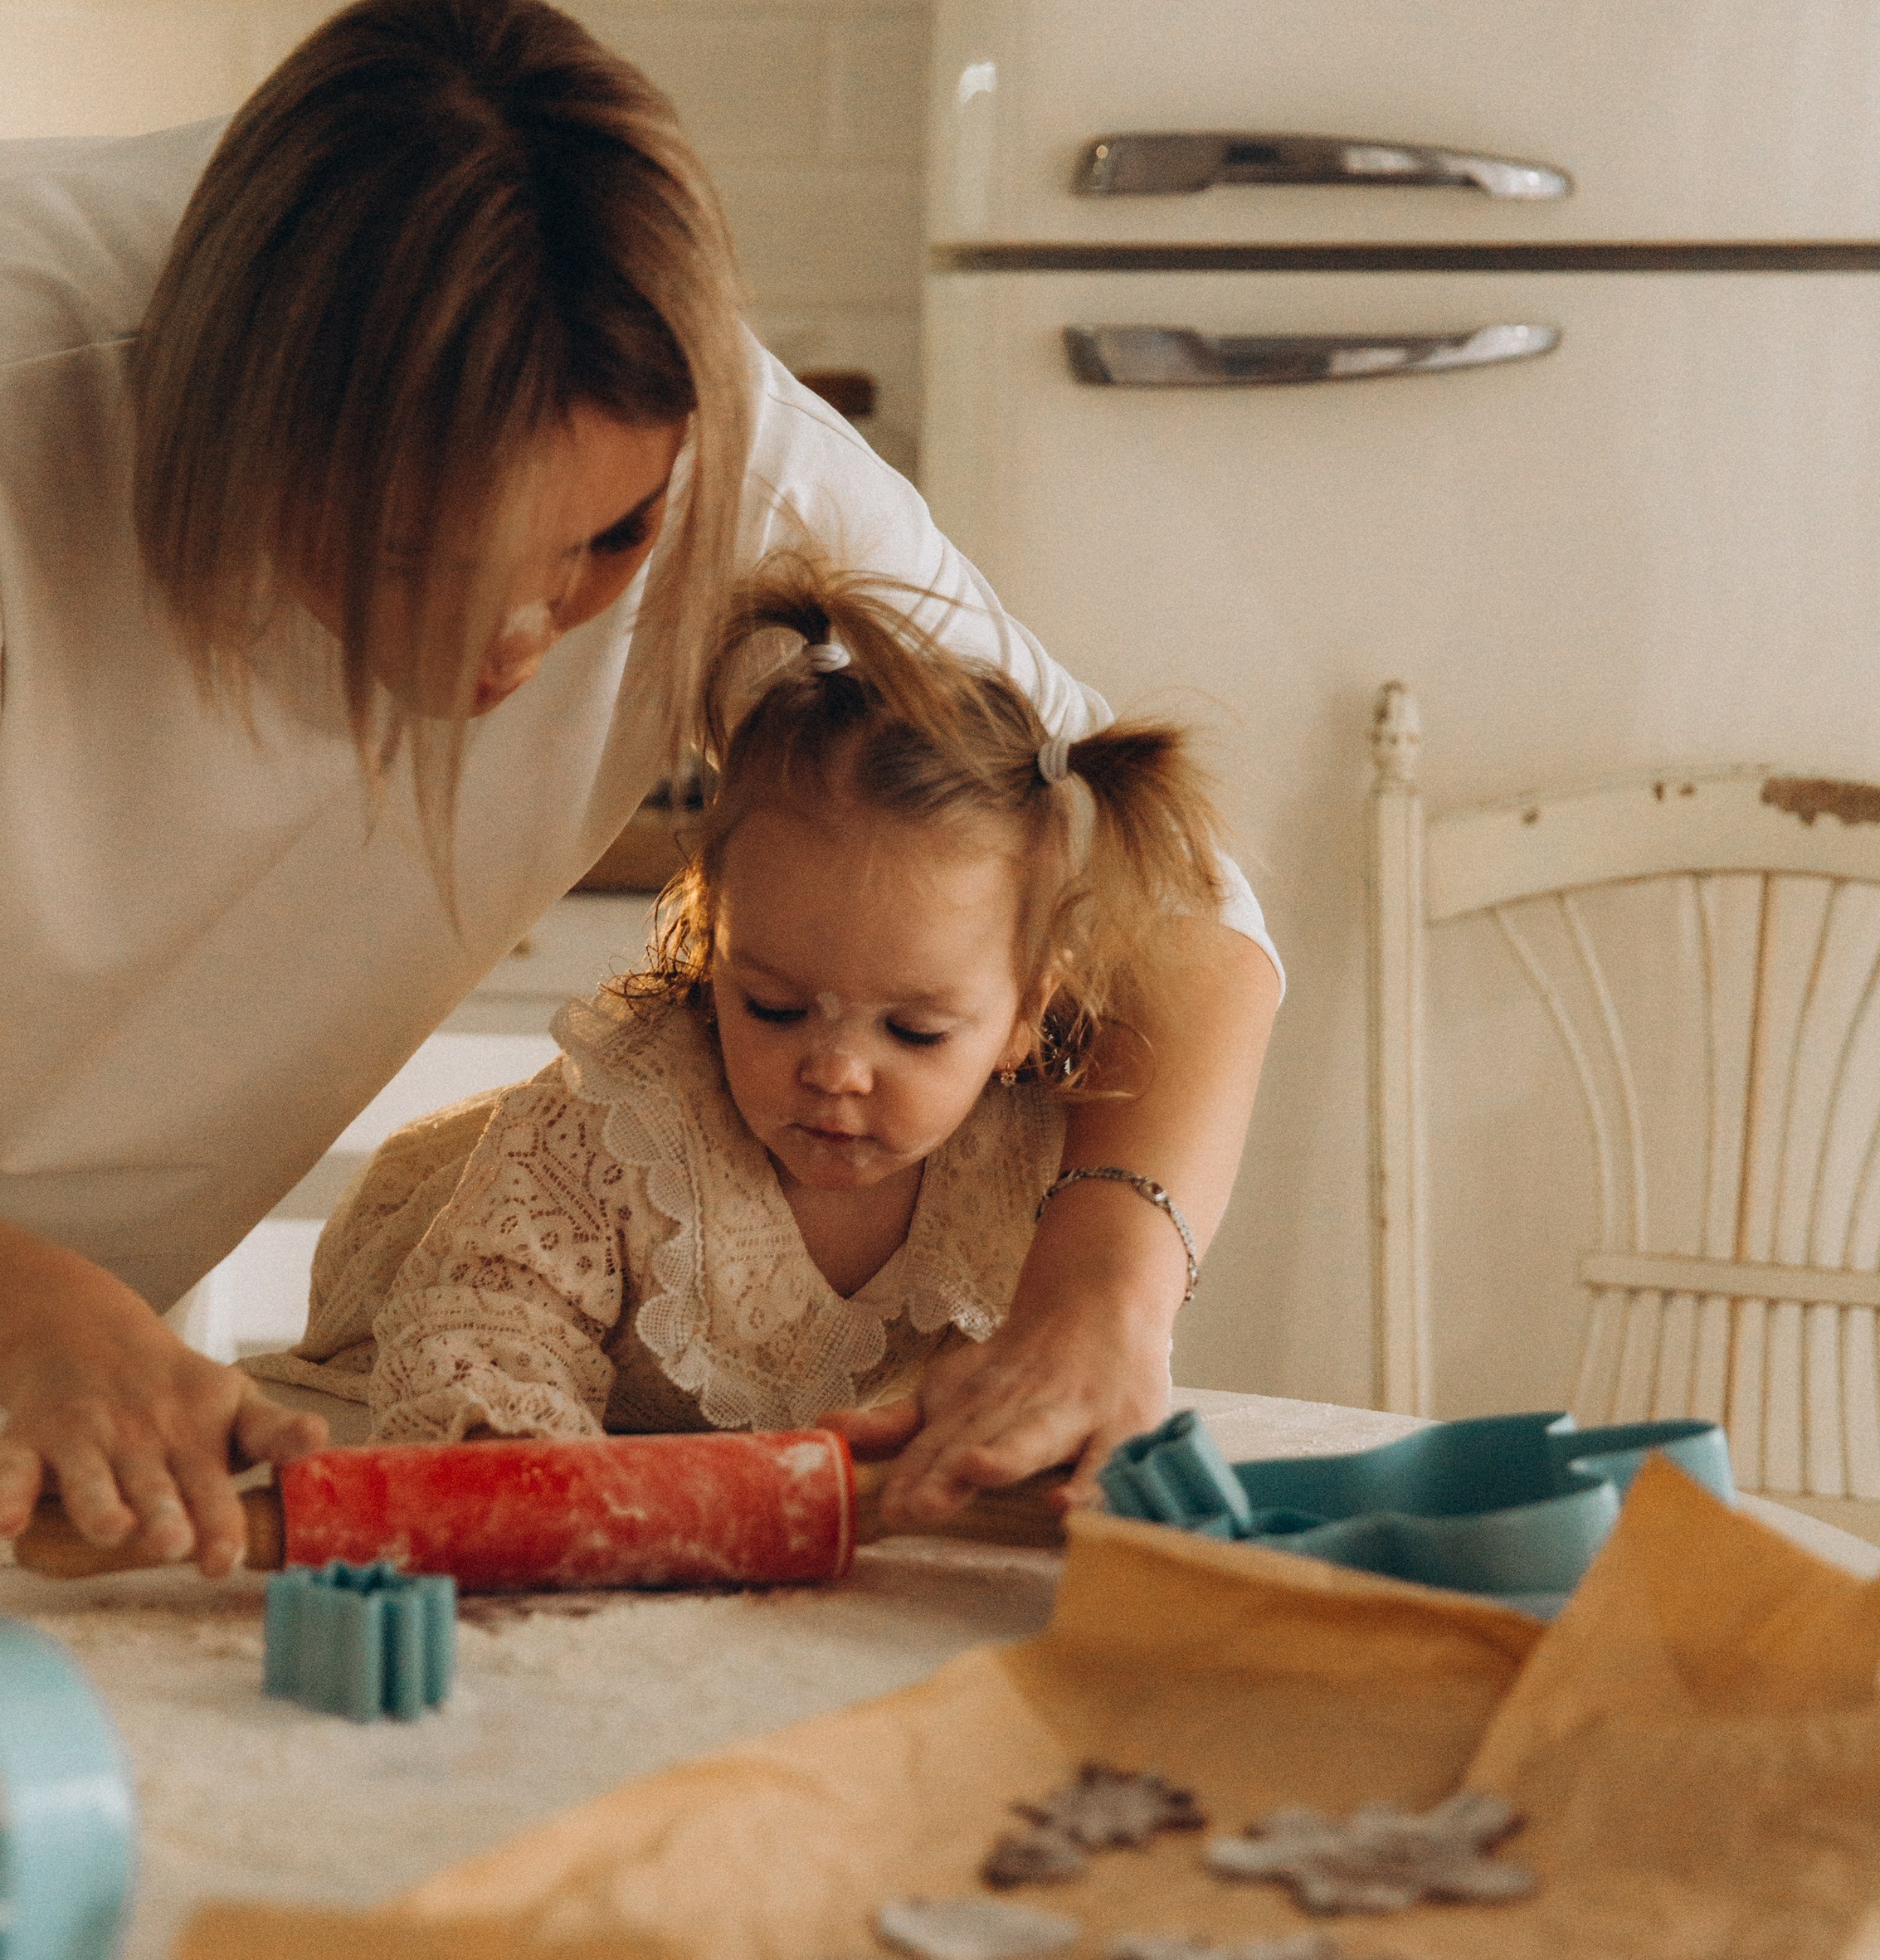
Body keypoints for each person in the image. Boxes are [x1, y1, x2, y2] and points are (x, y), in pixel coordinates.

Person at [0, 0, 1280, 1575]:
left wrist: (1102, 1296)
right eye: (419, 558)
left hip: (91, 1353)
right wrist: (47, 1323)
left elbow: (1157, 892)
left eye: (608, 542)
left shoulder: (736, 460)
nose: (519, 644)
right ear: (238, 435)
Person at [270, 556, 1249, 1476]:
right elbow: (479, 1345)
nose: (836, 1070)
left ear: (1026, 1017)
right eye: (774, 1007)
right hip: (399, 1385)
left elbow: (1029, 1374)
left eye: (913, 1032)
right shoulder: (605, 1133)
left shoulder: (1036, 1159)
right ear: (711, 951)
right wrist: (557, 1487)